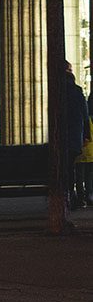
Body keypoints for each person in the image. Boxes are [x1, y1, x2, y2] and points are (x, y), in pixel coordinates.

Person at [62, 62, 89, 209]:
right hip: (74, 137)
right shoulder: (77, 91)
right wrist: (86, 136)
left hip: (61, 137)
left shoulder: (58, 91)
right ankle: (72, 197)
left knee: (65, 167)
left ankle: (67, 197)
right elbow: (85, 116)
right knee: (71, 168)